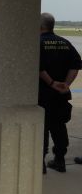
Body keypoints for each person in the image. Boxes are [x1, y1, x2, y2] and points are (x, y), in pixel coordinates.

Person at [39, 12, 81, 173]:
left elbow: (37, 67)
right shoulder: (65, 43)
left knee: (41, 129)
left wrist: (51, 82)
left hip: (42, 94)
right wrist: (66, 84)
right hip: (60, 95)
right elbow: (76, 65)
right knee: (59, 127)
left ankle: (40, 163)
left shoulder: (38, 43)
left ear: (41, 26)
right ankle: (60, 160)